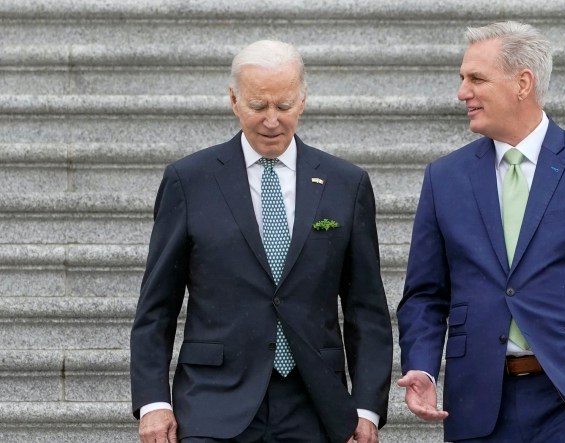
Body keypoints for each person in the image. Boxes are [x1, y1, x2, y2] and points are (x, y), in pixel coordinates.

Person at [396, 21, 565, 443]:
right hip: (478, 405)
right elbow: (425, 294)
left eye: (476, 79)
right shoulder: (444, 178)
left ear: (522, 82)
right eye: (461, 79)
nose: (462, 92)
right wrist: (420, 366)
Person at [130, 40, 392, 443]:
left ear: (303, 100)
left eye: (284, 106)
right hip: (212, 403)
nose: (272, 120)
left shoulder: (346, 184)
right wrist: (153, 403)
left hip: (315, 405)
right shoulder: (189, 181)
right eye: (258, 106)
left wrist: (366, 407)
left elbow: (367, 310)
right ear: (234, 100)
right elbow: (156, 307)